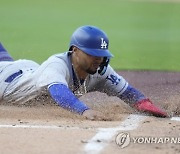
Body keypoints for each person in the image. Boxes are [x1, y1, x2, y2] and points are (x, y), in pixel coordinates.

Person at [0, 25, 168, 120]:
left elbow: (127, 92)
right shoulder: (56, 65)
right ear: (75, 51)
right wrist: (84, 110)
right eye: (92, 54)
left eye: (102, 55)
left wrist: (146, 105)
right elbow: (59, 92)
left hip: (28, 69)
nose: (98, 59)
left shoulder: (100, 71)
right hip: (6, 81)